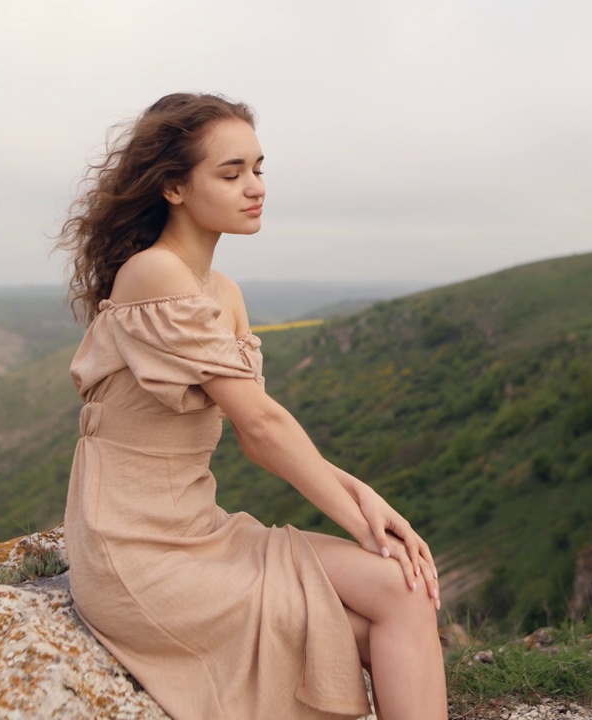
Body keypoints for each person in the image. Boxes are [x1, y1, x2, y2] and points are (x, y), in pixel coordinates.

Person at [57, 92, 447, 720]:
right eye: (231, 173)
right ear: (176, 188)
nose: (255, 187)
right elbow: (260, 428)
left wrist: (368, 500)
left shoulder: (224, 292)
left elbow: (262, 428)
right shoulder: (153, 273)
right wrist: (362, 522)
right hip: (136, 550)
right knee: (387, 597)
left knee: (401, 598)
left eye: (258, 168)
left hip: (198, 531)